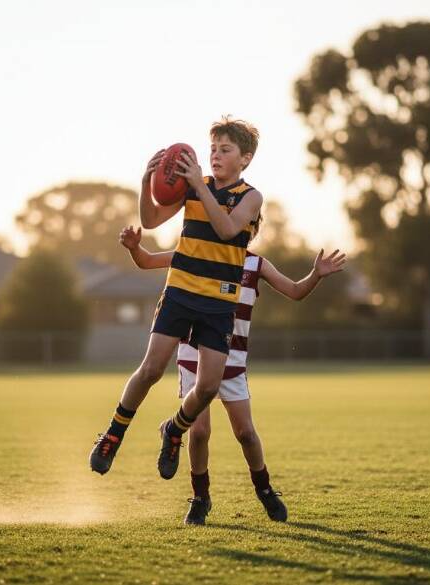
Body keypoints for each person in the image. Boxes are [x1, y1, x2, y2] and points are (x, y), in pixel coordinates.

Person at [117, 224, 346, 525]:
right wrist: (134, 247)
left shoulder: (256, 264)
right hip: (193, 356)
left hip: (232, 361)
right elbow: (147, 261)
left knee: (246, 434)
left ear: (253, 228)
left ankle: (265, 490)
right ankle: (200, 499)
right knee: (199, 432)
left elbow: (294, 291)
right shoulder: (194, 254)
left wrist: (316, 274)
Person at [89, 117, 264, 482]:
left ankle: (173, 429)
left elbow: (228, 229)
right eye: (212, 148)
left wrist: (201, 187)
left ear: (245, 159)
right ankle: (113, 434)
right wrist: (144, 182)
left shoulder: (250, 197)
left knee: (208, 387)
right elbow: (151, 220)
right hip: (181, 292)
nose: (215, 155)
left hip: (218, 303)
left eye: (225, 150)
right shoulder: (193, 188)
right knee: (151, 369)